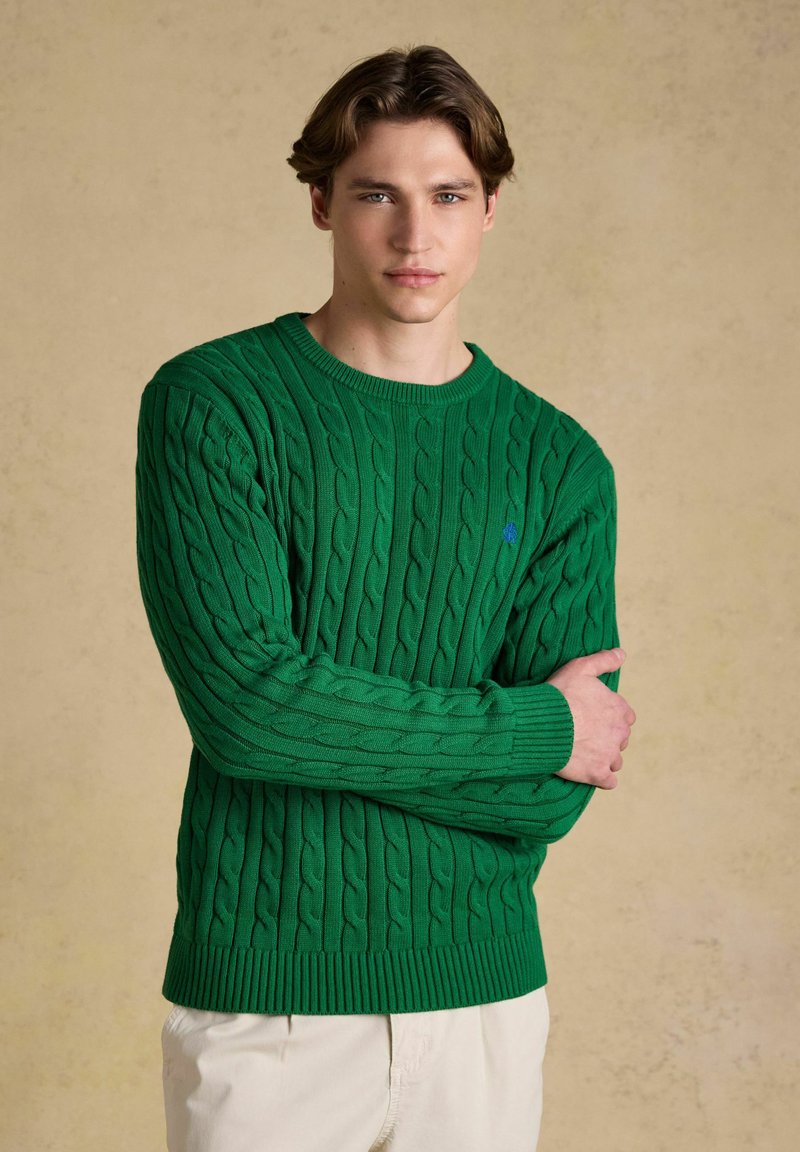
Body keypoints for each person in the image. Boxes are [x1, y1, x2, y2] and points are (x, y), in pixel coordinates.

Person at [135, 43, 635, 1152]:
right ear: (322, 202)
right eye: (377, 195)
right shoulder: (215, 404)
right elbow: (249, 711)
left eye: (448, 195)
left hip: (485, 1002)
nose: (416, 236)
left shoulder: (558, 463)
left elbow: (551, 799)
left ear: (490, 208)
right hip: (269, 1011)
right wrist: (536, 726)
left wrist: (342, 731)